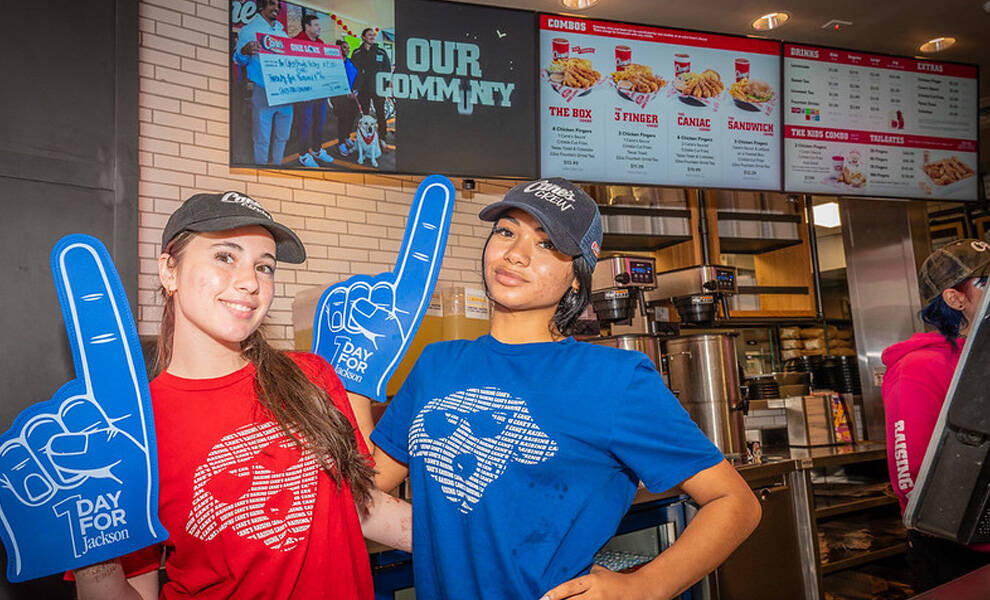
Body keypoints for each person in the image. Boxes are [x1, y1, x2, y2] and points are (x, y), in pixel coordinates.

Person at [370, 178, 761, 599]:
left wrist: (646, 587)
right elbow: (367, 489)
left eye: (546, 244)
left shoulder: (615, 379)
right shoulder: (436, 364)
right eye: (506, 231)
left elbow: (735, 503)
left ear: (577, 278)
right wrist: (352, 380)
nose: (515, 254)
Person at [72, 191, 411, 599]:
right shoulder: (130, 429)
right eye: (225, 257)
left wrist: (490, 541)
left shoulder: (311, 378)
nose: (250, 282)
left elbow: (360, 507)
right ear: (169, 271)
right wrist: (87, 544)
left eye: (264, 267)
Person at [881, 238, 990, 592]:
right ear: (955, 299)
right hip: (955, 551)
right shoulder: (917, 368)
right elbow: (911, 477)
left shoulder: (983, 355)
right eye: (986, 282)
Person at [233, 0, 293, 166]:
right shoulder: (249, 30)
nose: (276, 9)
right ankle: (261, 169)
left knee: (283, 135)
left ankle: (278, 165)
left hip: (285, 90)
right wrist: (244, 51)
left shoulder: (282, 32)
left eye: (278, 6)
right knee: (262, 137)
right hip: (263, 89)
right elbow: (238, 59)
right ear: (262, 7)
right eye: (272, 4)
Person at [293, 14, 334, 167]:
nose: (319, 27)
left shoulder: (321, 43)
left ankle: (317, 150)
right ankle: (303, 155)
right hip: (305, 94)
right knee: (305, 123)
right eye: (316, 25)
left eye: (319, 25)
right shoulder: (296, 42)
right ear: (307, 26)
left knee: (320, 122)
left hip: (320, 93)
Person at [350, 27, 391, 154]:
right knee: (364, 116)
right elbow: (353, 72)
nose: (372, 37)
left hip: (378, 89)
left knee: (381, 115)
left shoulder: (381, 52)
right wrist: (353, 88)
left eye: (373, 35)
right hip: (363, 90)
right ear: (363, 37)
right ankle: (363, 138)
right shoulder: (357, 53)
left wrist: (386, 86)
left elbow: (387, 70)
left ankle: (382, 139)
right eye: (369, 35)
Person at [331, 39, 358, 157]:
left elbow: (357, 77)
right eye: (344, 47)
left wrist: (355, 91)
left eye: (348, 48)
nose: (347, 50)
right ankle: (341, 143)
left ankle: (347, 137)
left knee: (352, 116)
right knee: (343, 118)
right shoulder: (334, 63)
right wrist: (344, 91)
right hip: (340, 96)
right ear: (338, 49)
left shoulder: (350, 62)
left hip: (353, 95)